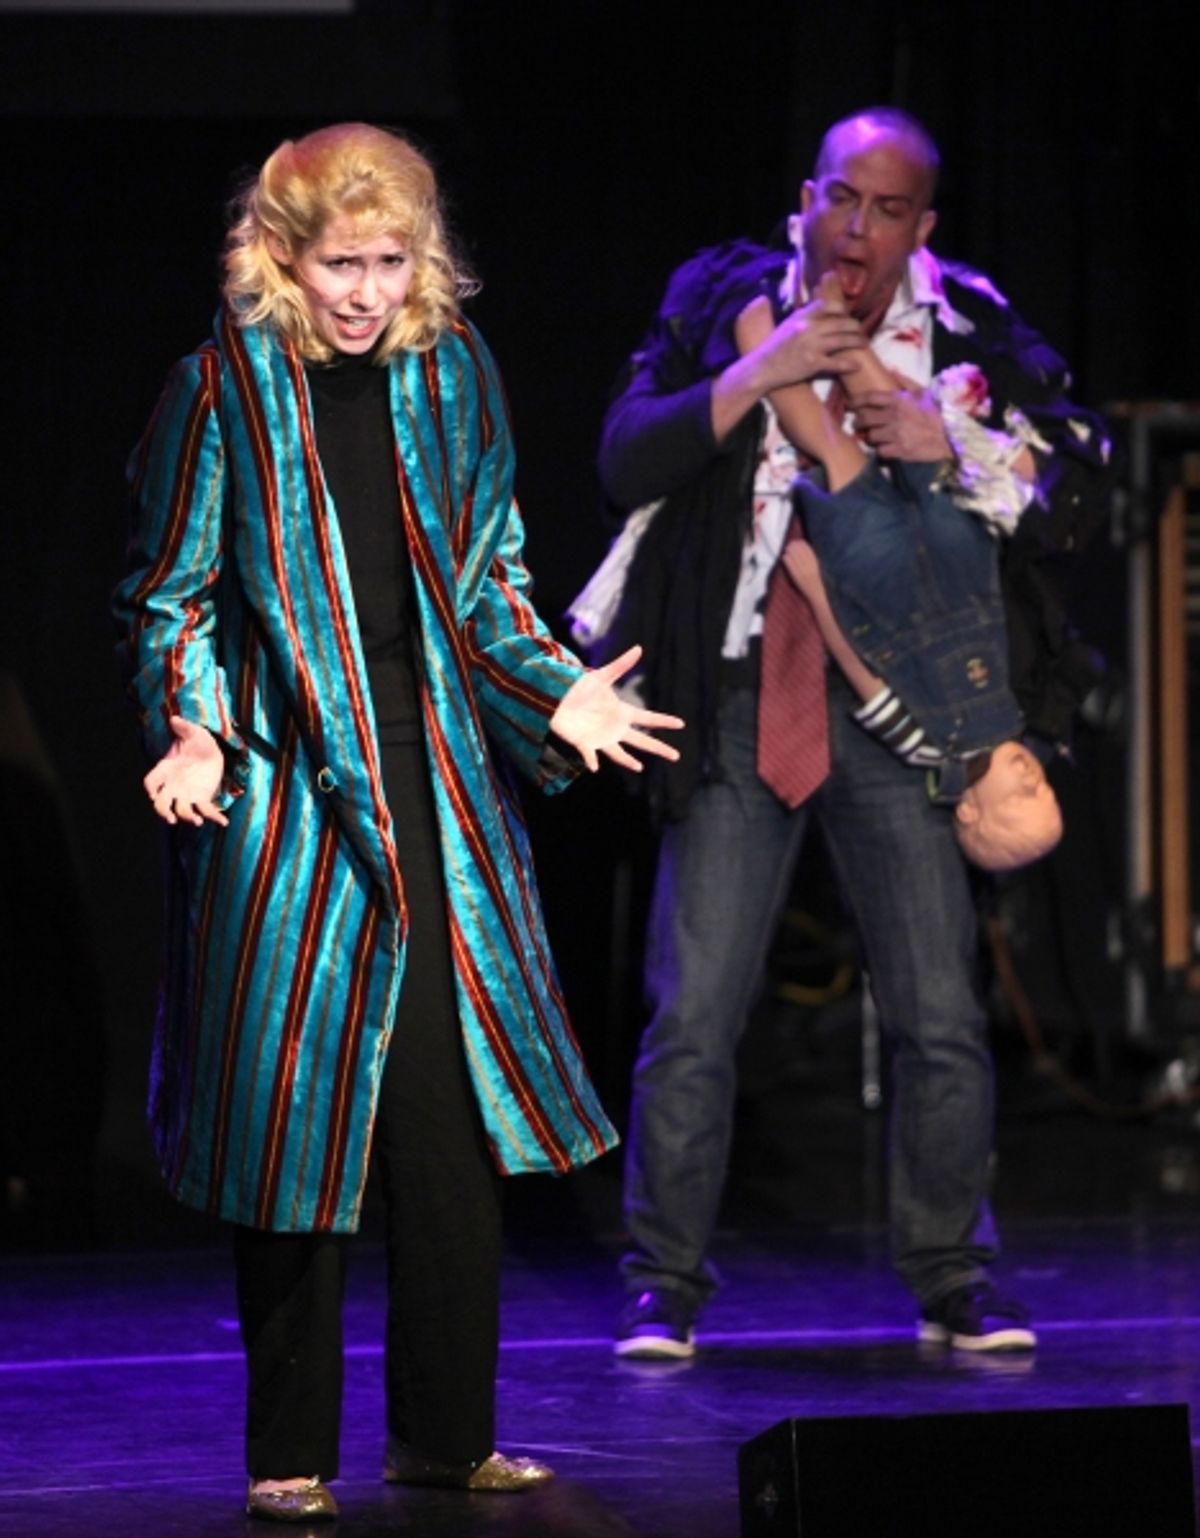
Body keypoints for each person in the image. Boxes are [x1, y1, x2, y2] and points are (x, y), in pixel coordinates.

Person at [113, 122, 681, 1522]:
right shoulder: (218, 396)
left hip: (434, 792)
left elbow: (487, 584)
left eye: (387, 262)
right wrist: (191, 724)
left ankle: (446, 1431)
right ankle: (288, 1449)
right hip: (289, 802)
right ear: (281, 259)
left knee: (444, 1120)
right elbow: (168, 594)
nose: (362, 294)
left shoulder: (454, 377)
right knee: (295, 1126)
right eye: (336, 265)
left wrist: (555, 693)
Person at [595, 106, 1111, 1360]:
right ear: (807, 201)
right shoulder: (727, 295)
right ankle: (662, 1280)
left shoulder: (967, 327)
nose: (860, 232)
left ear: (920, 226)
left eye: (889, 212)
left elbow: (1085, 482)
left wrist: (960, 440)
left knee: (938, 1004)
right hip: (739, 688)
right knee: (695, 1009)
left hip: (901, 707)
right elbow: (624, 457)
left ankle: (955, 1275)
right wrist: (747, 379)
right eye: (843, 201)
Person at [733, 284, 1063, 873]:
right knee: (910, 437)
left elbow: (864, 676)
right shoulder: (1021, 708)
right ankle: (839, 328)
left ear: (970, 812)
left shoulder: (928, 746)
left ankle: (761, 348)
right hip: (959, 558)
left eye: (1022, 797)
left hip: (880, 579)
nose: (1034, 778)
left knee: (832, 447)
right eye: (1047, 790)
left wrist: (816, 593)